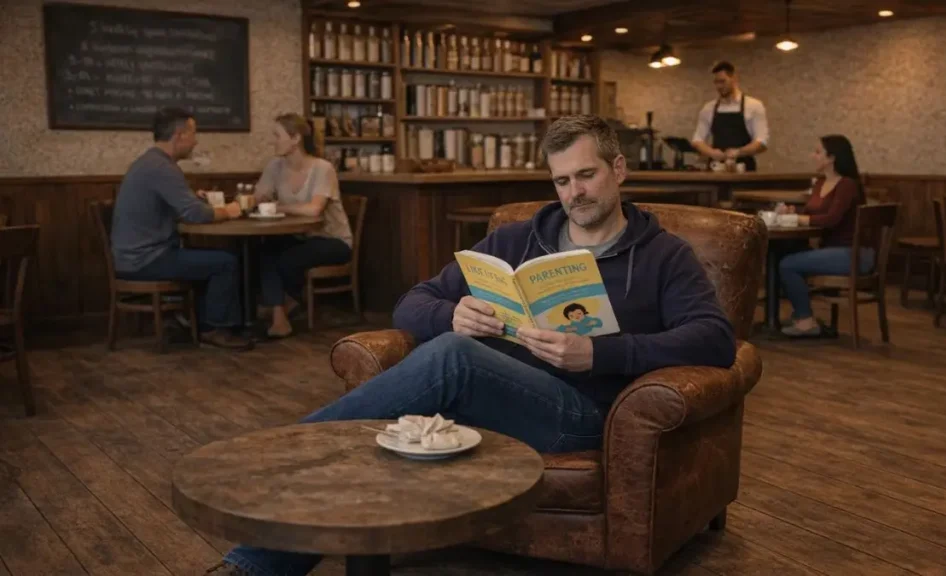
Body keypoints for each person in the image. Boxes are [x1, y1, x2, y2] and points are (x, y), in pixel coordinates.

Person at [205, 114, 736, 576]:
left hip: (584, 412)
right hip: (491, 396)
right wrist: (451, 313)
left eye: (587, 175)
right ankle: (256, 564)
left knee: (450, 359)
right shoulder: (516, 240)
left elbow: (715, 340)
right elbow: (412, 303)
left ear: (618, 170)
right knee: (388, 427)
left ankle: (283, 454)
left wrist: (601, 353)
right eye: (562, 180)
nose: (575, 192)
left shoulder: (665, 254)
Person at [111, 107, 252, 350]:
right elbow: (195, 214)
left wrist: (192, 198)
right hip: (145, 259)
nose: (196, 141)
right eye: (193, 134)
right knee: (225, 262)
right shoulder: (162, 168)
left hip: (133, 256)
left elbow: (178, 205)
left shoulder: (150, 162)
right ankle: (215, 330)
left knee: (214, 259)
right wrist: (229, 211)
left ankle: (198, 323)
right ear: (179, 136)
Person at [248, 113, 353, 338]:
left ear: (295, 139)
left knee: (286, 258)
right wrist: (258, 199)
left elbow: (314, 209)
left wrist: (278, 207)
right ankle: (279, 315)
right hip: (299, 238)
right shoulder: (275, 166)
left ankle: (290, 302)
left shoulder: (322, 168)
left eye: (277, 135)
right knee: (264, 250)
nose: (272, 141)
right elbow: (257, 197)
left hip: (332, 240)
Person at [779, 135, 872, 338]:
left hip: (853, 253)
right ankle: (798, 316)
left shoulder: (847, 185)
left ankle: (805, 320)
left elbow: (831, 219)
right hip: (831, 249)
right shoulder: (821, 183)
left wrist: (800, 218)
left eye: (817, 152)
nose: (813, 156)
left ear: (831, 158)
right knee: (782, 252)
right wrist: (793, 211)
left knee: (788, 264)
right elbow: (813, 211)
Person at [690, 61, 769, 172]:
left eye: (722, 81)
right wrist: (711, 152)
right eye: (716, 82)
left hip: (744, 169)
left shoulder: (754, 106)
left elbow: (762, 142)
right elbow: (697, 140)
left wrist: (739, 152)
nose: (719, 86)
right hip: (716, 169)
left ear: (734, 79)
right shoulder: (708, 108)